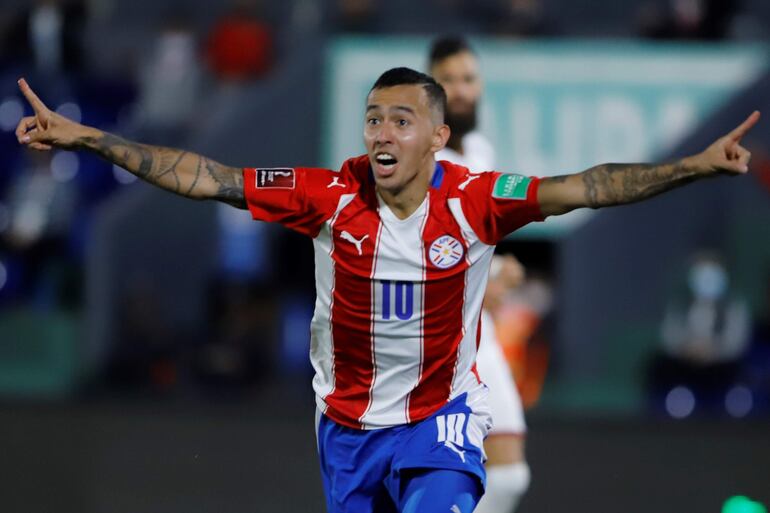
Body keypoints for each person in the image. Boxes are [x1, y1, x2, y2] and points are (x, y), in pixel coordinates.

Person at [15, 69, 758, 512]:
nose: (381, 132)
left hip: (440, 416)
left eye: (401, 120)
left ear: (438, 137)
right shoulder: (327, 194)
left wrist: (691, 166)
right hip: (345, 426)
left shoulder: (478, 200)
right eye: (373, 117)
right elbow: (210, 176)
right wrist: (93, 140)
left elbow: (591, 187)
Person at [430, 36, 530, 512]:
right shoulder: (421, 162)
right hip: (437, 341)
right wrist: (479, 282)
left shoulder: (480, 152)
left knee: (508, 474)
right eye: (448, 80)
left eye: (468, 79)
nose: (461, 89)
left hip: (480, 332)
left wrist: (496, 268)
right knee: (441, 475)